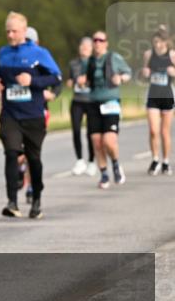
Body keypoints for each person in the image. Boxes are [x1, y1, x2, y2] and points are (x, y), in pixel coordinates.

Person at [0, 12, 61, 219]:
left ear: (24, 30)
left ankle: (37, 198)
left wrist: (32, 81)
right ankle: (12, 201)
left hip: (33, 114)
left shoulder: (39, 53)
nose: (10, 35)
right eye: (7, 31)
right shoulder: (3, 53)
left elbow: (56, 78)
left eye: (14, 31)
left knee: (33, 158)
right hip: (10, 113)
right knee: (11, 153)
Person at [77, 30, 132, 189]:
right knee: (96, 141)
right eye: (95, 40)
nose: (97, 43)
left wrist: (120, 78)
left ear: (106, 42)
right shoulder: (89, 62)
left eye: (101, 40)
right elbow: (86, 80)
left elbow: (128, 73)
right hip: (93, 102)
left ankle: (115, 164)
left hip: (111, 102)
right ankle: (104, 174)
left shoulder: (114, 58)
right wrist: (82, 82)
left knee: (109, 140)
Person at [142, 25, 174, 175]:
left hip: (167, 95)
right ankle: (155, 160)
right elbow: (143, 73)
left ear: (166, 42)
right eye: (155, 41)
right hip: (153, 95)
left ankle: (166, 161)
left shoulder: (172, 55)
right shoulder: (148, 54)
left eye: (161, 42)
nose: (158, 45)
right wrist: (145, 72)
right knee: (153, 130)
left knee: (164, 131)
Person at [66, 37, 96, 176]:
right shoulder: (73, 63)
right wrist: (71, 82)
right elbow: (70, 79)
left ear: (92, 48)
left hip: (91, 101)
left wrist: (87, 81)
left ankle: (91, 161)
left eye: (87, 46)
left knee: (91, 132)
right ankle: (79, 160)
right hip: (77, 101)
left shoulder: (95, 63)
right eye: (82, 45)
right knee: (76, 131)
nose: (84, 48)